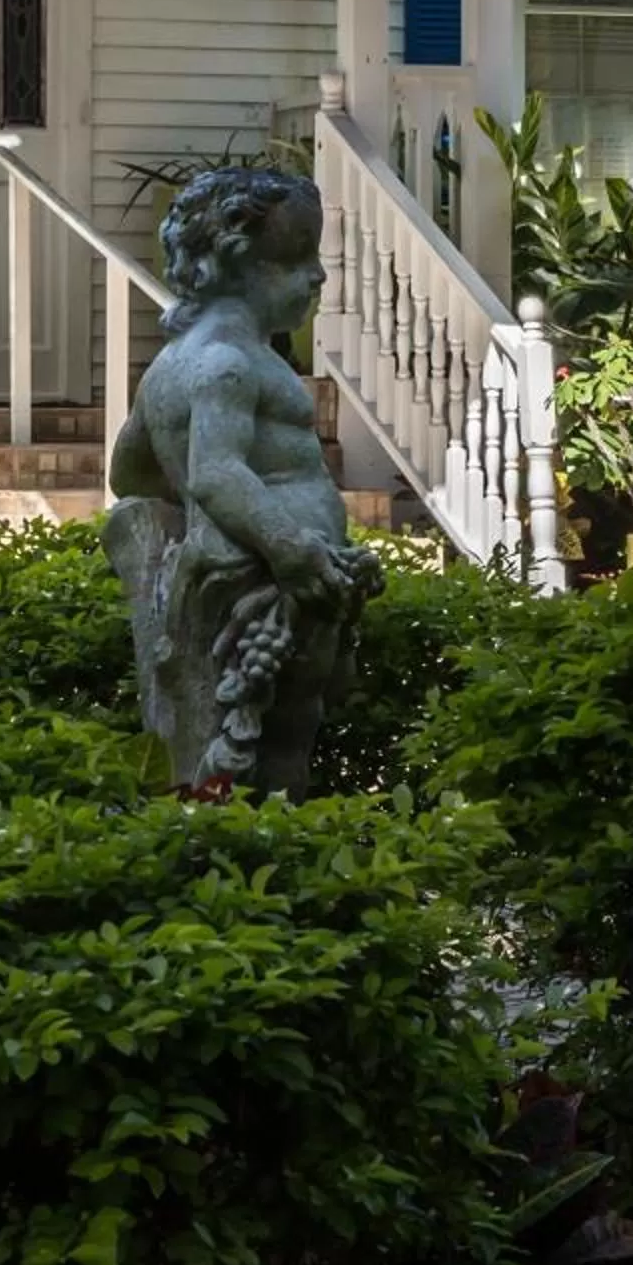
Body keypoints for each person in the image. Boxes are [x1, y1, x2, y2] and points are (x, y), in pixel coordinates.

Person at [105, 165, 381, 795]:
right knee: (280, 732)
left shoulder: (169, 368)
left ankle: (233, 846)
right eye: (296, 259)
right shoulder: (230, 363)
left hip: (245, 577)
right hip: (270, 582)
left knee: (244, 732)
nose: (318, 275)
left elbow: (131, 474)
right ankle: (272, 859)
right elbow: (217, 470)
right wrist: (288, 544)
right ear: (236, 266)